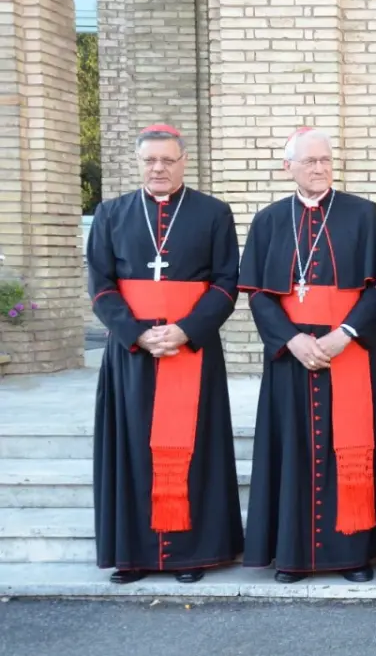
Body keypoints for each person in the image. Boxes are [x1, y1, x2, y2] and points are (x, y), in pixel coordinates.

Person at [238, 127, 376, 584]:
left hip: (349, 353)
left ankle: (354, 554)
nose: (320, 168)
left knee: (353, 446)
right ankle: (293, 555)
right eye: (309, 161)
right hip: (293, 356)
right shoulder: (268, 221)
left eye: (325, 160)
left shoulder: (364, 216)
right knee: (294, 451)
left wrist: (345, 333)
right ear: (288, 167)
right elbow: (257, 295)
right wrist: (291, 339)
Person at [87, 123, 243, 584]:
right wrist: (136, 333)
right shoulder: (111, 213)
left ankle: (190, 555)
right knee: (132, 448)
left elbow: (227, 282)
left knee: (194, 448)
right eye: (150, 160)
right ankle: (133, 555)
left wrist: (186, 330)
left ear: (183, 161)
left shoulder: (213, 213)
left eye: (167, 160)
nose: (158, 167)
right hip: (131, 352)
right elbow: (100, 285)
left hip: (190, 348)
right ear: (138, 163)